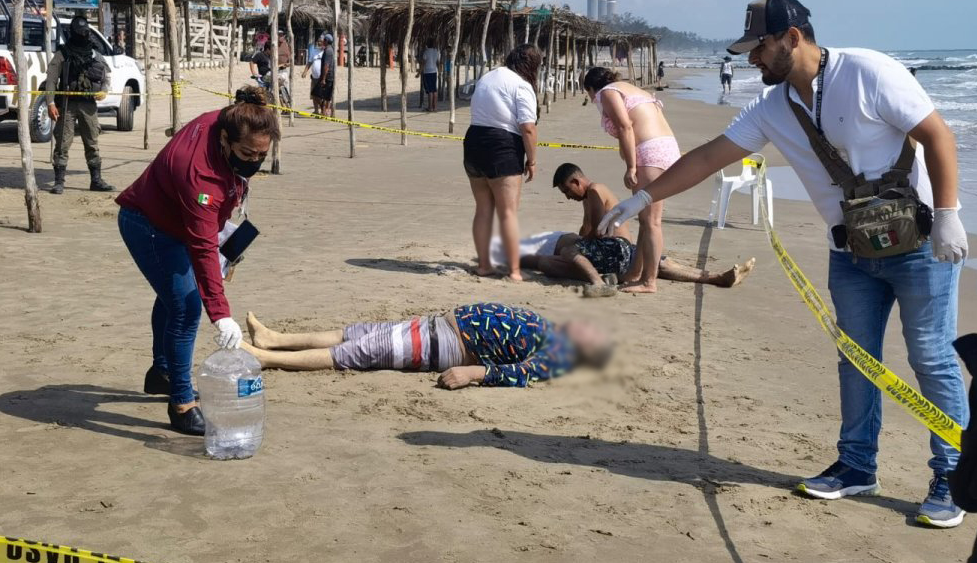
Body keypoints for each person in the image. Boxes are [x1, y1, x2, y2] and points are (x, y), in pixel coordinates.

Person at [600, 0, 970, 528]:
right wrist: (644, 197)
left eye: (760, 47)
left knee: (931, 359)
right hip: (852, 253)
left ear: (793, 38)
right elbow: (708, 157)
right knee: (857, 360)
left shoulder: (869, 72)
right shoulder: (773, 108)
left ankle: (953, 474)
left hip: (922, 245)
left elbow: (937, 136)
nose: (752, 58)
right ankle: (857, 465)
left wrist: (950, 213)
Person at [115, 87, 280, 435]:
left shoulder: (231, 118)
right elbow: (203, 249)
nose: (254, 161)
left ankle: (161, 372)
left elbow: (208, 229)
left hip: (180, 219)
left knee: (173, 297)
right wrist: (221, 316)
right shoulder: (199, 175)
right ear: (225, 139)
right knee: (187, 307)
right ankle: (181, 403)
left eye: (261, 154)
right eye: (247, 153)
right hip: (148, 225)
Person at [241, 302, 613, 389]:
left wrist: (472, 374)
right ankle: (275, 339)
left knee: (353, 354)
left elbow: (518, 374)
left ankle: (265, 358)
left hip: (443, 345)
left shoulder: (557, 357)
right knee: (354, 333)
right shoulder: (551, 330)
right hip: (436, 327)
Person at [519, 162, 754, 292]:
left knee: (563, 255)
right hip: (625, 249)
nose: (568, 196)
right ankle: (715, 278)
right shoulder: (591, 195)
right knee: (660, 264)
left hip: (614, 249)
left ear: (576, 181)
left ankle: (598, 282)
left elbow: (599, 231)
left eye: (568, 191)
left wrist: (577, 244)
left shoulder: (593, 191)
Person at [582, 67, 680, 293]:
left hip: (649, 152)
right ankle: (636, 272)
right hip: (667, 148)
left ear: (590, 88)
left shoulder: (606, 93)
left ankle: (649, 281)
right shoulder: (633, 90)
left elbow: (626, 126)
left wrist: (631, 166)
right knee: (646, 218)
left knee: (651, 221)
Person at [464, 44, 540, 281]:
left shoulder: (487, 77)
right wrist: (533, 160)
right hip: (502, 145)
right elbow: (527, 128)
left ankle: (484, 265)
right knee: (508, 212)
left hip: (474, 140)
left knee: (483, 209)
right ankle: (515, 271)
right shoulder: (521, 85)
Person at [44, 16, 114, 194]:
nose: (83, 35)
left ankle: (96, 180)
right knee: (62, 143)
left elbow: (107, 73)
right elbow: (51, 80)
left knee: (92, 142)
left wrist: (104, 90)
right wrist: (51, 103)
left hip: (88, 104)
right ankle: (59, 182)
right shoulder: (62, 54)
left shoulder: (93, 53)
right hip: (67, 104)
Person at [313, 32, 335, 117]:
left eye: (323, 40)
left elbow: (326, 65)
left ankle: (325, 111)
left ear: (326, 41)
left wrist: (323, 79)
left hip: (328, 77)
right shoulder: (327, 49)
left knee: (320, 95)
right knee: (319, 95)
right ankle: (323, 109)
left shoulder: (328, 51)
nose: (322, 41)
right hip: (325, 76)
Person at [420, 41, 441, 112]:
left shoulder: (426, 52)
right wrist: (440, 71)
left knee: (429, 91)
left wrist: (419, 72)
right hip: (434, 72)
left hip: (427, 72)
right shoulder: (436, 52)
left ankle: (430, 107)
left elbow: (423, 63)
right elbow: (438, 62)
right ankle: (435, 107)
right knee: (434, 90)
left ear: (427, 45)